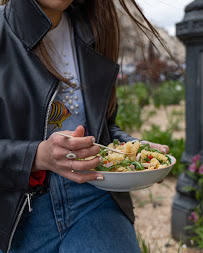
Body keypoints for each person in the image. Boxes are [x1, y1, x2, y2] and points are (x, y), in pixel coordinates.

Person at [0, 0, 169, 252]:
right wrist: (36, 156)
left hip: (95, 195)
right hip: (16, 213)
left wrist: (129, 150)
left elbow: (104, 126)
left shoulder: (95, 30)